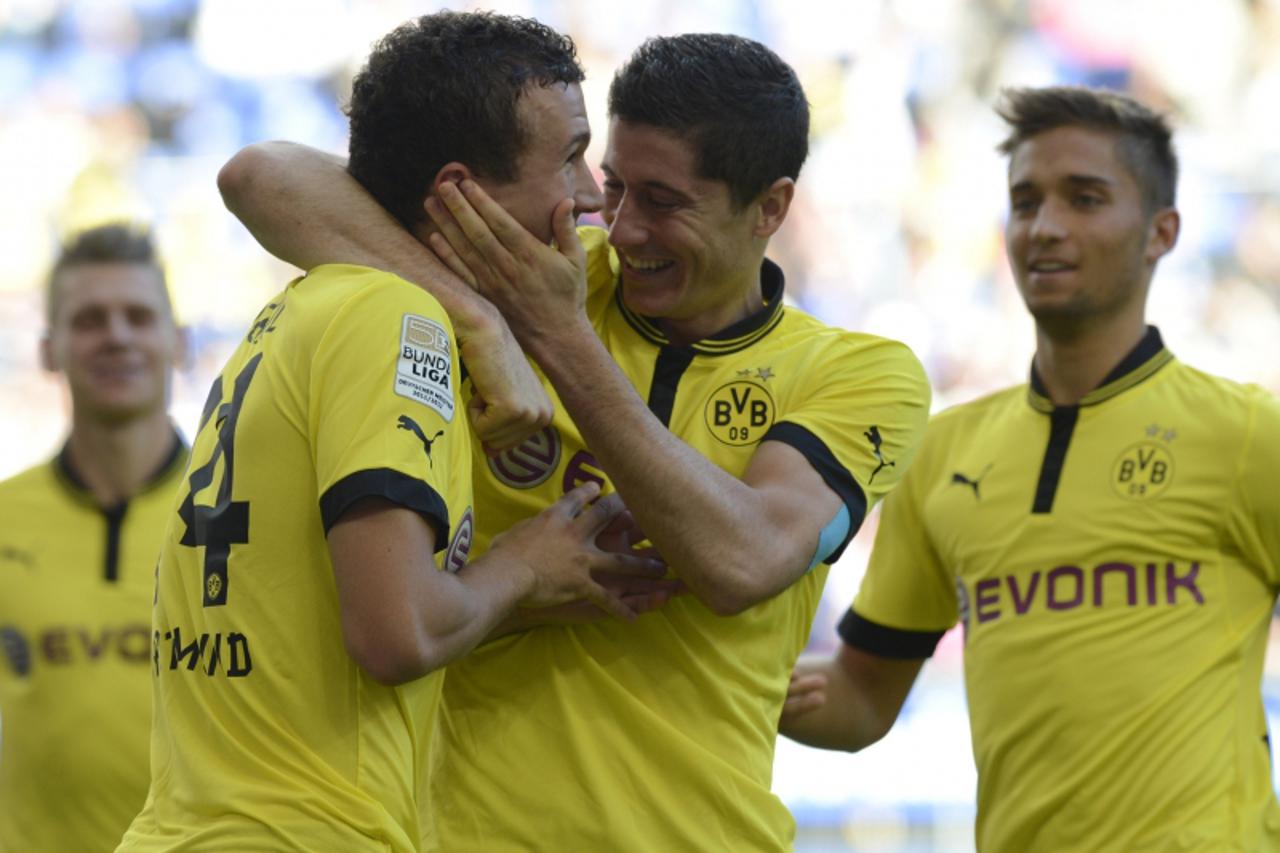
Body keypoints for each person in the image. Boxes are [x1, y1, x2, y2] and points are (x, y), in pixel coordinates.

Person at [218, 29, 931, 851]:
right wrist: (481, 316)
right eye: (614, 182)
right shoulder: (534, 269)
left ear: (769, 207)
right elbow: (261, 177)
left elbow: (745, 560)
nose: (619, 227)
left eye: (663, 202)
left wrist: (558, 340)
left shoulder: (858, 375)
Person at [117, 14, 662, 852]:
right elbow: (396, 630)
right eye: (568, 157)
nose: (590, 194)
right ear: (460, 189)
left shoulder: (309, 303)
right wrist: (524, 565)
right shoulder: (398, 321)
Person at [780, 86, 1280, 852]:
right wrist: (718, 674)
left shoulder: (1247, 435)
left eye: (1084, 198)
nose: (1044, 227)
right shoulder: (947, 450)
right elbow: (860, 696)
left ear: (1162, 231)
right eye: (1025, 200)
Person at [0, 223, 189, 851]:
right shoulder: (6, 517)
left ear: (178, 342)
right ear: (49, 351)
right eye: (90, 320)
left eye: (138, 316)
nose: (116, 335)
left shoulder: (242, 511)